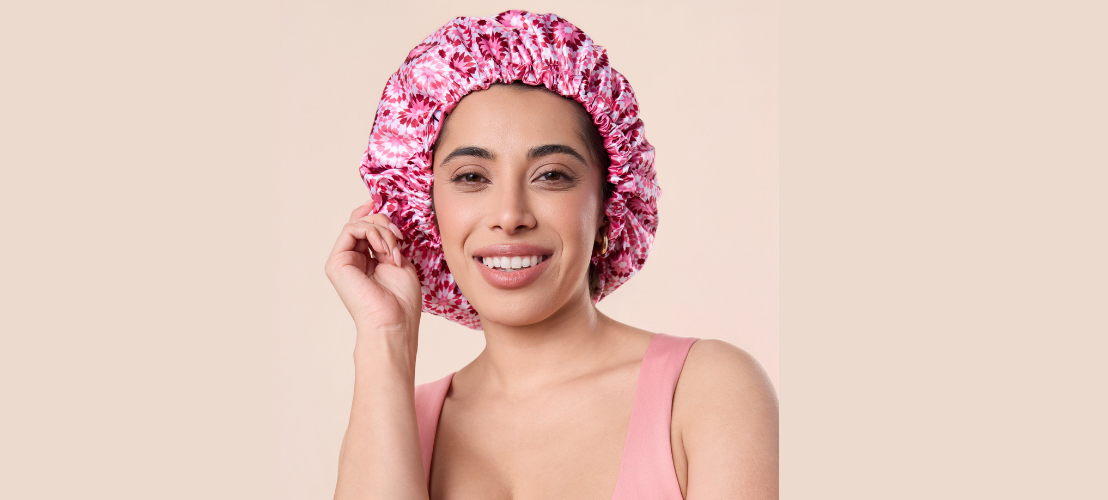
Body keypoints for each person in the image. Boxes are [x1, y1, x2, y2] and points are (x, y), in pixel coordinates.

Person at [325, 10, 777, 499]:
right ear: (427, 208)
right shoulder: (397, 422)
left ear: (609, 202)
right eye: (472, 177)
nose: (509, 214)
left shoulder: (706, 390)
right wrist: (384, 338)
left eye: (552, 175)